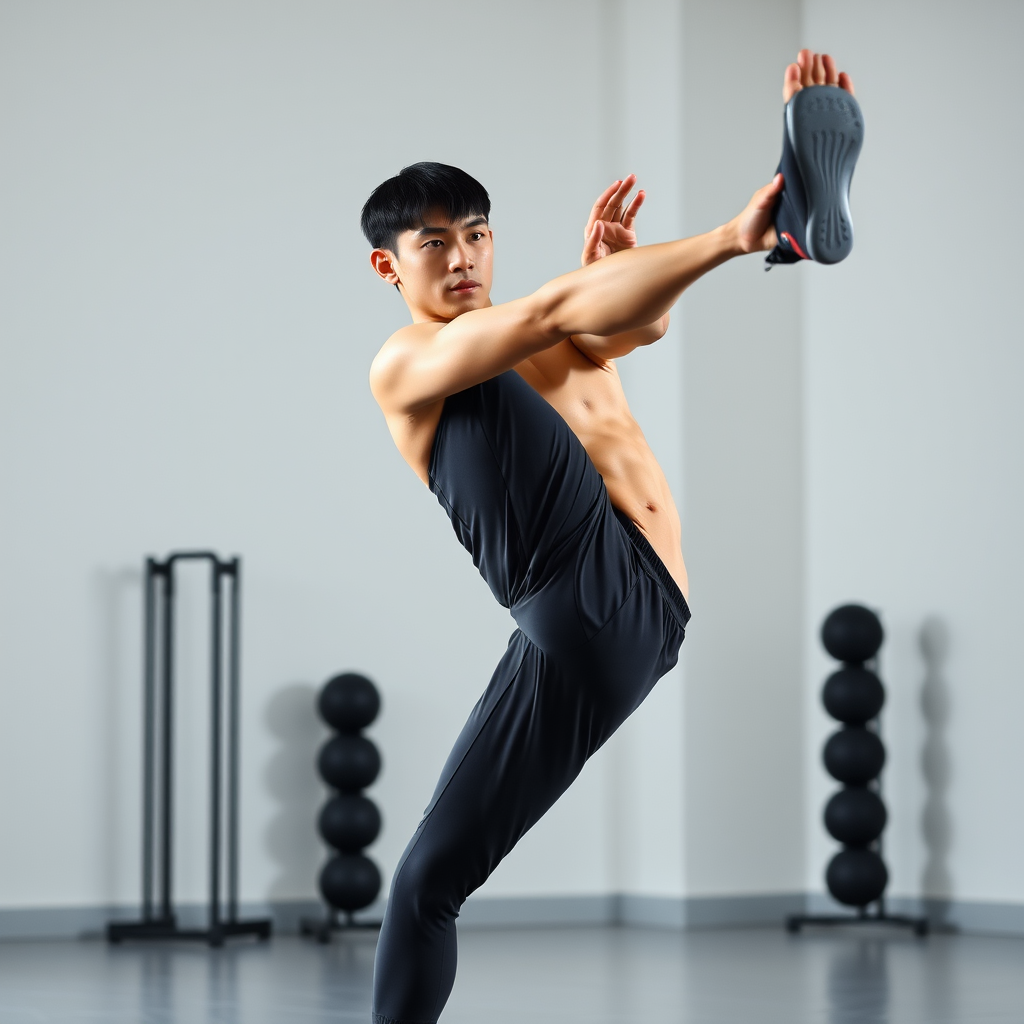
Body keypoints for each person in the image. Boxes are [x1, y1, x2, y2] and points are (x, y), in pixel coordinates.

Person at [363, 49, 857, 1024]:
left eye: (476, 234)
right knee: (425, 882)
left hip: (615, 604)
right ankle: (775, 231)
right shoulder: (407, 363)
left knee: (577, 343)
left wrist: (624, 274)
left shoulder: (524, 340)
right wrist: (727, 235)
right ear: (389, 265)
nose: (462, 258)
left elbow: (620, 331)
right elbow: (555, 312)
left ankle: (786, 233)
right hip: (586, 608)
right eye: (434, 245)